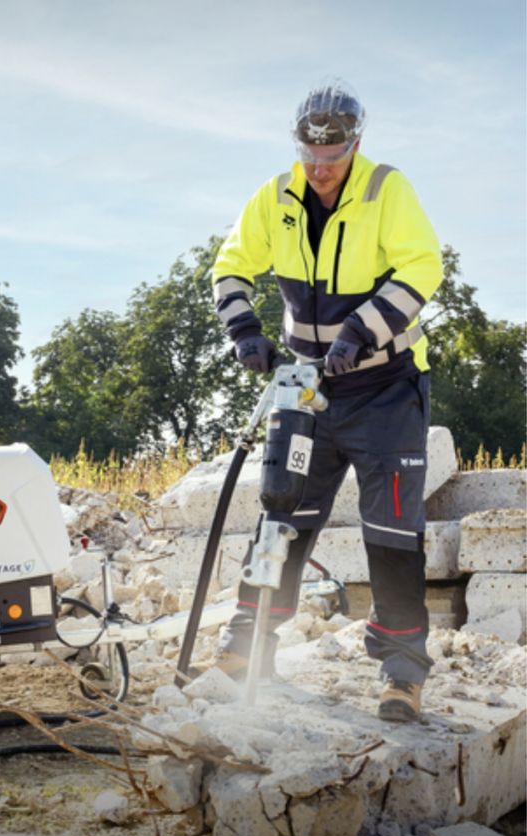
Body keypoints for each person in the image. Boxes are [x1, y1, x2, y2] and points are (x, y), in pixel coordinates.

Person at [211, 79, 443, 722]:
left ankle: (401, 673)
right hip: (308, 387)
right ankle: (246, 644)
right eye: (310, 158)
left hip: (385, 389)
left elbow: (423, 268)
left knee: (393, 529)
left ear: (355, 145)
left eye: (332, 159)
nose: (319, 171)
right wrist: (246, 330)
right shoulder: (275, 196)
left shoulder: (385, 190)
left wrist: (361, 331)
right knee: (281, 513)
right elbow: (228, 265)